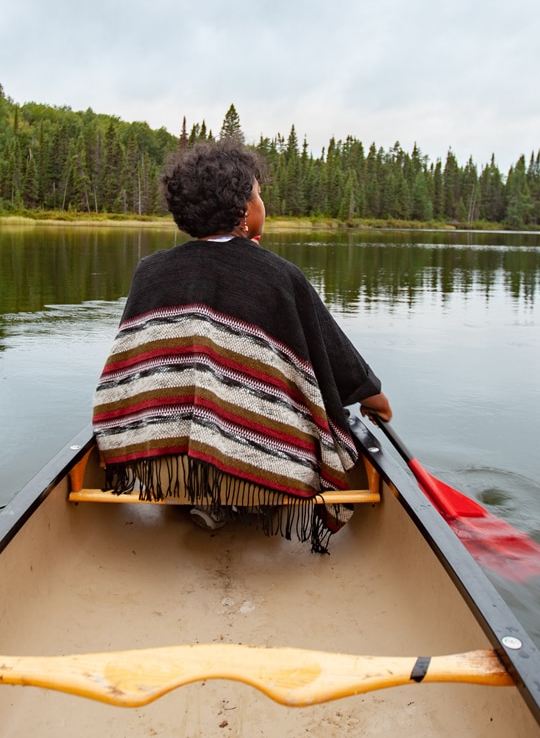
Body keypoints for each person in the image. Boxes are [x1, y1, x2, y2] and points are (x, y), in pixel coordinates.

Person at [92, 141, 392, 552]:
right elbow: (334, 362)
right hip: (255, 476)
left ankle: (205, 499)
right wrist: (375, 398)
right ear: (242, 210)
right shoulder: (279, 276)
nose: (262, 201)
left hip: (153, 468)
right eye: (258, 193)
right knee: (289, 417)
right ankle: (235, 502)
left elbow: (132, 372)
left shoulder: (150, 271)